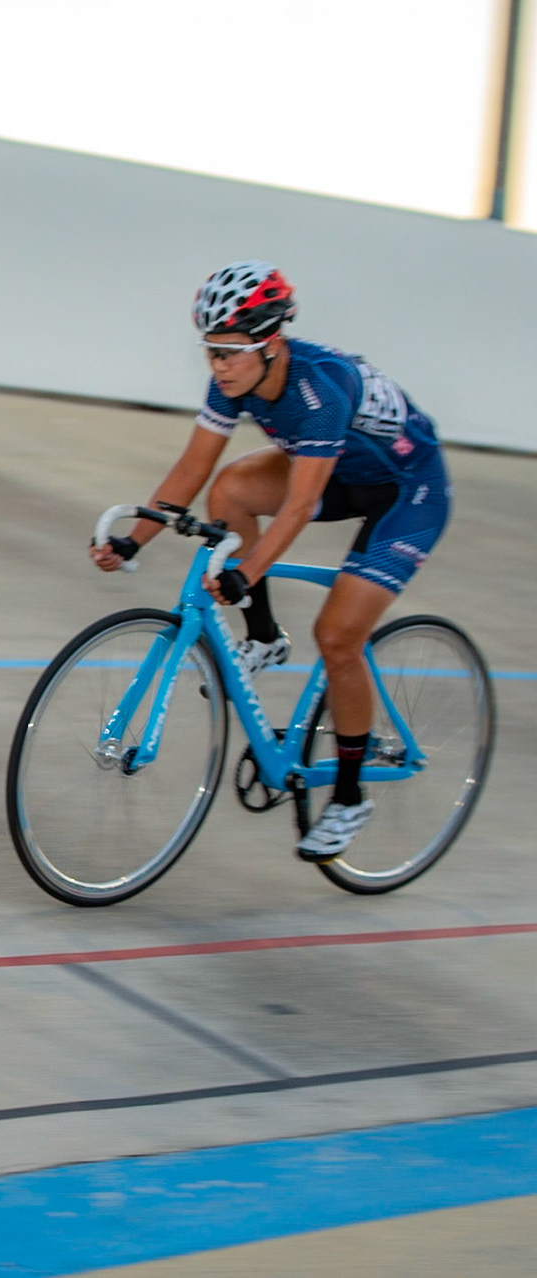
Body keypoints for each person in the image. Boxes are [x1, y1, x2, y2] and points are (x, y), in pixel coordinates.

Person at [90, 260, 451, 862]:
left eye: (230, 352)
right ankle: (263, 637)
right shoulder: (233, 377)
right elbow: (194, 467)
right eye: (211, 351)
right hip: (340, 473)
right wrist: (136, 540)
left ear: (271, 342)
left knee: (337, 636)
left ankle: (349, 797)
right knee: (230, 490)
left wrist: (247, 572)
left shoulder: (322, 389)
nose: (219, 366)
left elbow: (302, 504)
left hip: (408, 491)